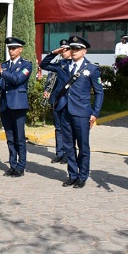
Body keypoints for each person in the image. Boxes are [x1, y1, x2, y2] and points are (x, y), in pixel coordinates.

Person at [40, 36, 104, 189]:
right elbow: (44, 64)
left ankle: (82, 176)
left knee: (83, 146)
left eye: (77, 49)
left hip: (82, 113)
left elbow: (99, 92)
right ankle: (72, 175)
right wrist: (54, 52)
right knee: (68, 145)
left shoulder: (92, 69)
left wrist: (95, 113)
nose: (74, 51)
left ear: (84, 51)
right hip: (64, 110)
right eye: (72, 48)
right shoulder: (63, 64)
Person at [0, 37, 32, 177]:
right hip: (5, 104)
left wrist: (2, 71)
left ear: (20, 49)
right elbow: (1, 84)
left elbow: (17, 79)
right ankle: (12, 165)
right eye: (10, 48)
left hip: (18, 104)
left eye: (14, 48)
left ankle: (21, 166)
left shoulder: (26, 65)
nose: (11, 50)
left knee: (19, 137)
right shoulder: (5, 65)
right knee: (10, 137)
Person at [44, 39, 71, 164]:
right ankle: (59, 153)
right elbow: (44, 65)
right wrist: (54, 52)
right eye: (62, 49)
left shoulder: (76, 66)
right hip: (57, 100)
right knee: (58, 128)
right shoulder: (59, 64)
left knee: (68, 129)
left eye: (65, 49)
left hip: (70, 101)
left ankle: (68, 153)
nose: (63, 51)